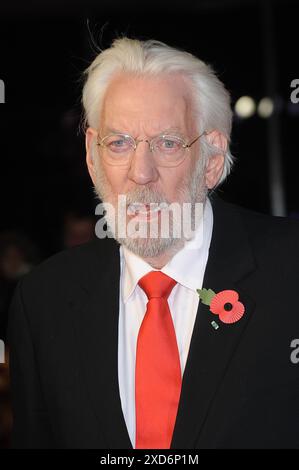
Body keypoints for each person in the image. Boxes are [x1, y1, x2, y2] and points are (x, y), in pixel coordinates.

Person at [8, 37, 299, 449]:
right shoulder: (44, 301)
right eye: (119, 143)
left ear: (212, 161)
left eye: (167, 144)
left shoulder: (291, 274)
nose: (140, 173)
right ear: (93, 157)